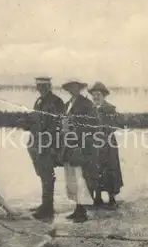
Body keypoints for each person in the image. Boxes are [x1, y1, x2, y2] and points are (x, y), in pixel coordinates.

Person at [59, 81, 100, 222]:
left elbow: (93, 124)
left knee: (80, 177)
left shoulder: (86, 104)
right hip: (68, 145)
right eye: (70, 87)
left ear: (79, 88)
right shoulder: (67, 104)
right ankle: (78, 208)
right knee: (72, 178)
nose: (72, 89)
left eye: (74, 87)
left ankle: (82, 211)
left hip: (81, 145)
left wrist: (76, 131)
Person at [25, 77, 65, 220]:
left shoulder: (56, 101)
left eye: (44, 85)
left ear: (49, 86)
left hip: (48, 143)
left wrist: (51, 144)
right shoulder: (39, 101)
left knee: (47, 175)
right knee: (43, 174)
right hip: (37, 142)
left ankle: (48, 207)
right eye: (39, 85)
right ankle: (45, 204)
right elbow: (35, 119)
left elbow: (57, 124)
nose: (41, 88)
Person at [88, 82, 123, 207]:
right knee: (96, 169)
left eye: (98, 95)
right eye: (94, 95)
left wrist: (103, 131)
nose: (96, 97)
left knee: (109, 169)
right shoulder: (90, 109)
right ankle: (97, 197)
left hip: (108, 144)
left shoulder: (110, 109)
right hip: (95, 144)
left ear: (103, 96)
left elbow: (116, 124)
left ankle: (112, 198)